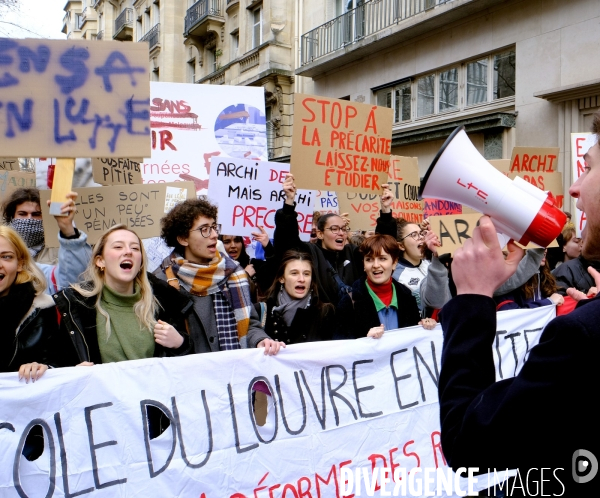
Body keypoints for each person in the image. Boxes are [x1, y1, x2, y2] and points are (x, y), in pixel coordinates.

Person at [437, 111, 600, 493]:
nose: (574, 188)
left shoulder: (581, 336)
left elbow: (467, 444)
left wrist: (473, 297)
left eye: (588, 168)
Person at [155, 198, 283, 355]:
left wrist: (260, 340)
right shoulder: (163, 281)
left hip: (235, 373)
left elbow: (249, 324)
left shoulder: (234, 273)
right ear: (183, 238)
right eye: (204, 229)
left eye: (214, 227)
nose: (215, 235)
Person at [50, 225, 190, 368]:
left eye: (135, 248)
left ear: (140, 262)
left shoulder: (164, 300)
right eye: (118, 247)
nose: (128, 252)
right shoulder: (76, 306)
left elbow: (186, 370)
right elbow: (59, 364)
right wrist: (75, 370)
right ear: (100, 261)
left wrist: (180, 344)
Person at [274, 174, 397, 306]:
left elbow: (383, 246)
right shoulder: (310, 253)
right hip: (324, 319)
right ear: (320, 234)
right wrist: (289, 203)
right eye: (334, 229)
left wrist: (385, 210)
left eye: (344, 229)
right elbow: (286, 240)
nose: (341, 233)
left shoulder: (353, 252)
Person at [337, 234, 435, 339]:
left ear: (394, 263)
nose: (375, 265)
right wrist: (365, 340)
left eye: (382, 259)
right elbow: (342, 347)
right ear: (364, 265)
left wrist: (425, 325)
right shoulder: (349, 302)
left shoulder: (407, 297)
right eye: (369, 259)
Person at [2, 187, 92, 294]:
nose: (29, 219)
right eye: (22, 214)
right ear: (12, 217)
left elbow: (72, 279)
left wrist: (69, 231)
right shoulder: (3, 244)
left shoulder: (60, 248)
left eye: (36, 215)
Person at [0, 226, 58, 382]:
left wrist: (43, 367)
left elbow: (63, 364)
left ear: (20, 263)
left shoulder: (43, 309)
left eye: (6, 257)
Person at [258, 250, 335, 345]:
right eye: (294, 273)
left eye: (306, 274)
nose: (302, 279)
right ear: (282, 278)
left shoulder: (325, 312)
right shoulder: (263, 310)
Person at [494, 249, 564, 311]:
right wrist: (548, 302)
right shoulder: (506, 281)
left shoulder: (544, 278)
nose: (545, 251)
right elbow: (510, 315)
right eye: (531, 245)